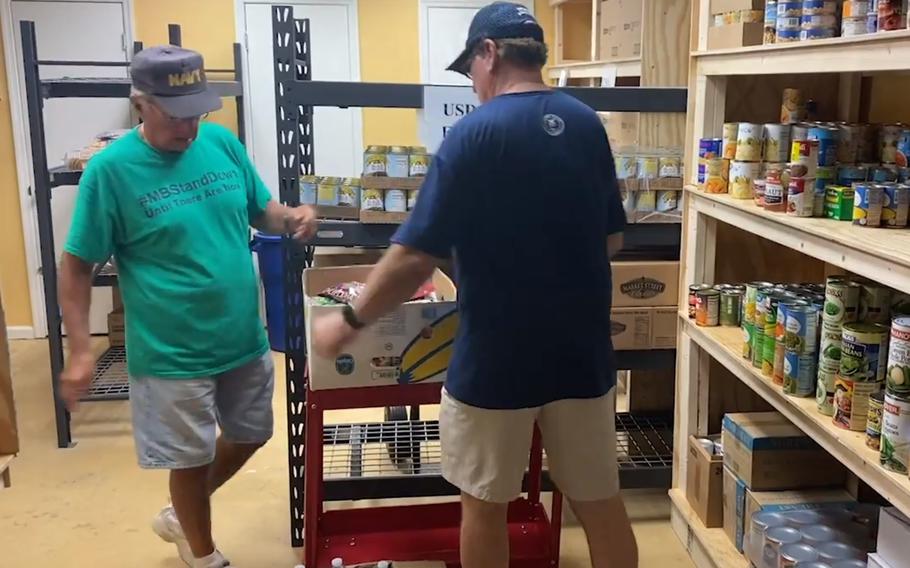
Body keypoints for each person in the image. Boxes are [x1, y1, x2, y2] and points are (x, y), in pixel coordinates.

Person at [313, 3, 637, 567]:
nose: (474, 83)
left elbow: (415, 257)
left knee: (484, 506)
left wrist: (351, 319)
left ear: (489, 54)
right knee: (599, 501)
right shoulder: (586, 124)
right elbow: (611, 241)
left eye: (471, 70)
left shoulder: (472, 135)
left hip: (497, 358)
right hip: (581, 354)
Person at [58, 46, 316, 568]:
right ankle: (202, 554)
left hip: (241, 335)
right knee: (189, 459)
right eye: (176, 116)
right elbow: (77, 265)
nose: (190, 128)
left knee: (251, 434)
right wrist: (81, 349)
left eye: (197, 112)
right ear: (140, 105)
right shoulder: (110, 172)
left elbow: (259, 211)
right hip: (171, 350)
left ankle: (181, 513)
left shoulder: (221, 143)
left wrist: (291, 217)